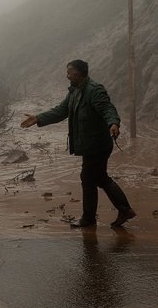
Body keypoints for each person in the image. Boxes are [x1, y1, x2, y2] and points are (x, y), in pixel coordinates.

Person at [20, 59, 136, 228]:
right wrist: (38, 118)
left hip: (98, 145)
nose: (67, 76)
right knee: (98, 178)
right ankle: (120, 211)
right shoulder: (75, 91)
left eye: (69, 72)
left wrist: (114, 123)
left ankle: (91, 219)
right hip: (89, 145)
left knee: (90, 179)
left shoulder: (94, 90)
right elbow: (61, 110)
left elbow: (108, 109)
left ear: (78, 73)